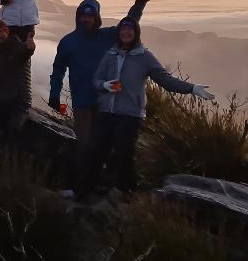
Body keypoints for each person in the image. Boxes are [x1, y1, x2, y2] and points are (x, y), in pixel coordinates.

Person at [82, 18, 215, 198]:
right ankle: (87, 191)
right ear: (119, 33)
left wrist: (191, 88)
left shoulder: (144, 57)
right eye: (123, 30)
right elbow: (96, 81)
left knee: (124, 154)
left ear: (136, 33)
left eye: (130, 30)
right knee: (97, 151)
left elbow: (165, 80)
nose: (126, 33)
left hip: (130, 114)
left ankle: (127, 193)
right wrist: (105, 85)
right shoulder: (111, 54)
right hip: (107, 111)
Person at [48, 0, 151, 171]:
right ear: (78, 17)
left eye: (90, 15)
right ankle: (80, 186)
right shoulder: (68, 42)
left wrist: (140, 3)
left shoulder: (107, 36)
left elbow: (128, 24)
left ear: (96, 17)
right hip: (82, 101)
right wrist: (54, 95)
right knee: (85, 144)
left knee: (106, 144)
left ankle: (100, 184)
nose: (86, 19)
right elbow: (58, 70)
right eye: (83, 16)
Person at [0, 18, 35, 142]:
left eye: (0, 31)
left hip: (19, 100)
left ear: (7, 32)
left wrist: (30, 49)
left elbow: (22, 54)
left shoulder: (17, 45)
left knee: (13, 130)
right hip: (2, 97)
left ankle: (10, 159)